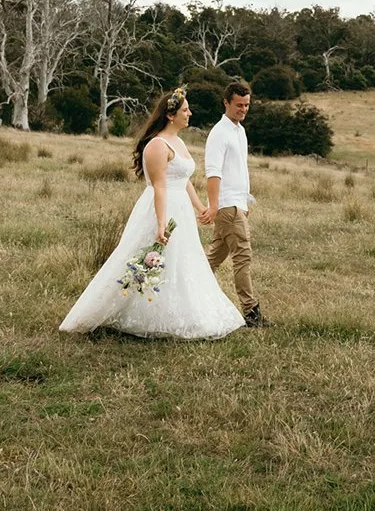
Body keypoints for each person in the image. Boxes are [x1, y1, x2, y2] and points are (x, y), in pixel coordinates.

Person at [60, 87, 244, 340]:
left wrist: (200, 207)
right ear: (171, 115)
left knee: (180, 262)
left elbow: (183, 178)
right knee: (148, 260)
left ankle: (174, 313)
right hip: (162, 209)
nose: (190, 113)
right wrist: (160, 224)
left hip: (180, 210)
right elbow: (160, 186)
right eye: (185, 110)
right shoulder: (157, 145)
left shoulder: (178, 142)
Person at [201, 79, 268, 327]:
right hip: (226, 206)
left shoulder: (239, 131)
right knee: (243, 256)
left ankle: (188, 291)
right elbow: (213, 172)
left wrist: (245, 204)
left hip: (237, 204)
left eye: (247, 105)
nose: (243, 110)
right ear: (226, 103)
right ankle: (252, 313)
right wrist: (216, 205)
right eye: (239, 105)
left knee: (212, 260)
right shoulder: (219, 133)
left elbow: (239, 171)